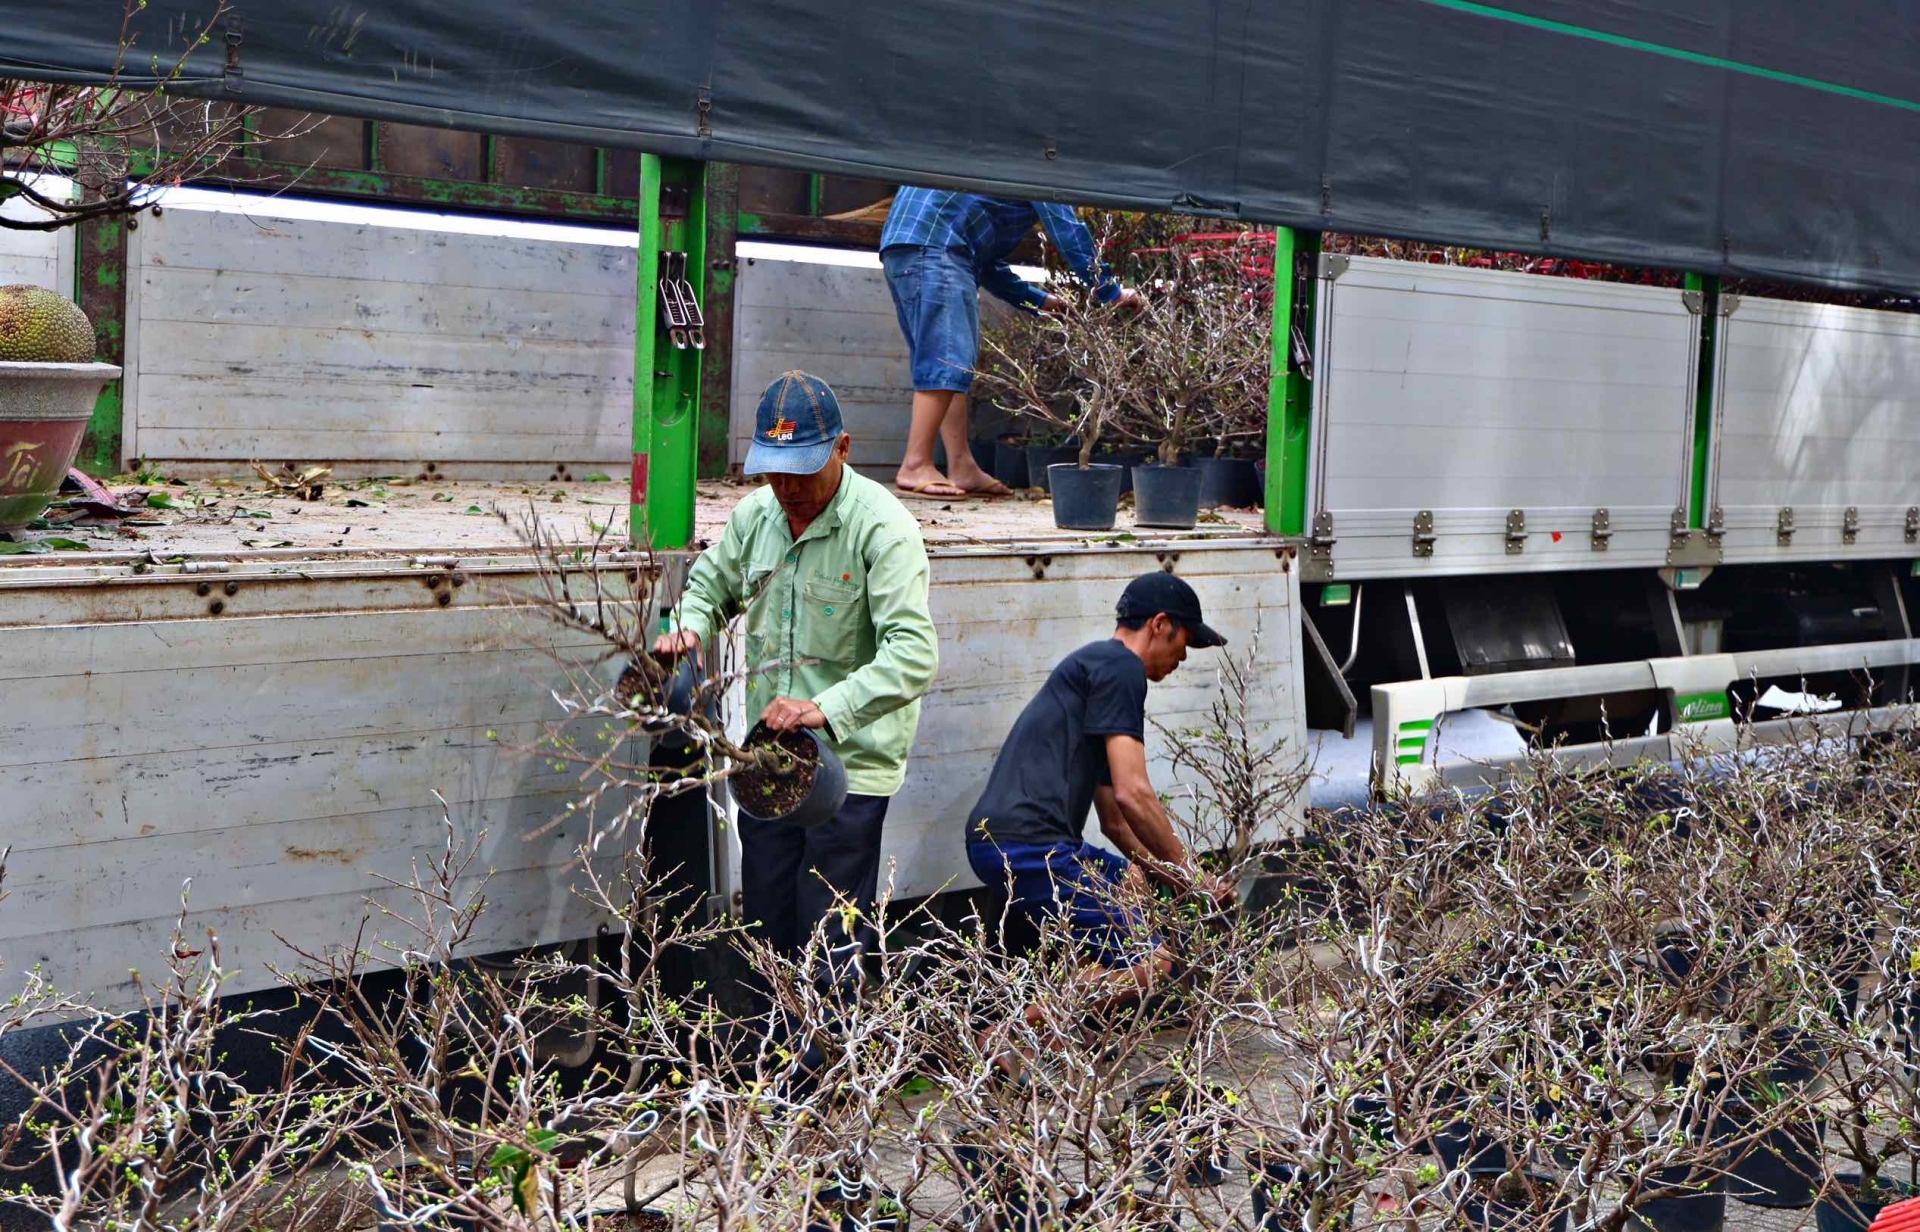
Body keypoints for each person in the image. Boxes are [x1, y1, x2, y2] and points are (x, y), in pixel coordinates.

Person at [654, 370, 939, 975]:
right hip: (767, 765)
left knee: (830, 941)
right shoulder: (756, 515)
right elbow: (709, 584)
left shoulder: (883, 530)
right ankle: (772, 1058)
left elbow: (912, 653)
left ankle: (828, 1065)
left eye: (802, 469)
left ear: (843, 447)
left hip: (850, 770)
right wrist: (691, 624)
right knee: (766, 928)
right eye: (774, 469)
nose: (787, 486)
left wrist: (823, 709)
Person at [964, 572, 1231, 1046]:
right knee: (1152, 964)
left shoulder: (1097, 669)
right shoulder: (1121, 668)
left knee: (1129, 880)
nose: (1184, 657)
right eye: (1185, 641)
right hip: (1027, 846)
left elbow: (1113, 818)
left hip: (1017, 841)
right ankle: (1012, 1035)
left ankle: (1071, 1020)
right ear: (1160, 624)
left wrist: (1167, 877)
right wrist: (1191, 874)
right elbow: (1135, 793)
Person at [879, 187, 1142, 500]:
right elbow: (1067, 230)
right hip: (937, 245)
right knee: (947, 360)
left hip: (911, 244)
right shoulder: (1042, 157)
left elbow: (986, 263)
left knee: (950, 363)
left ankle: (961, 463)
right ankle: (915, 463)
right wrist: (1109, 292)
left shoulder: (998, 150)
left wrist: (1042, 301)